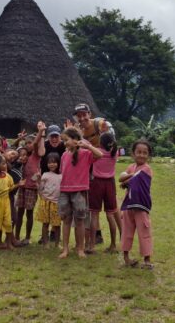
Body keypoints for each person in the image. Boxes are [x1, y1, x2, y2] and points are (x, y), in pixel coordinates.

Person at [67, 103, 113, 244]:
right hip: (87, 168)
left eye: (84, 114)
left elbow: (112, 143)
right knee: (91, 204)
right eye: (79, 116)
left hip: (102, 167)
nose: (82, 118)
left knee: (106, 207)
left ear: (89, 114)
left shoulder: (100, 124)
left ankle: (110, 238)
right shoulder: (77, 130)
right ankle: (95, 234)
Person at [58, 126, 102, 259]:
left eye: (66, 140)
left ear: (76, 139)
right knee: (66, 220)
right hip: (65, 191)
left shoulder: (85, 153)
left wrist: (87, 146)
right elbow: (62, 172)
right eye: (63, 140)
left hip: (80, 192)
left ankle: (80, 248)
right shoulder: (64, 155)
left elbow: (99, 155)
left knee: (80, 221)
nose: (65, 143)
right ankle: (65, 249)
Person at [119, 139, 154, 269]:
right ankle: (126, 257)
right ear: (133, 154)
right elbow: (123, 181)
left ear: (148, 156)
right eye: (138, 152)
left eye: (145, 153)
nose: (141, 155)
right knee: (127, 231)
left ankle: (147, 260)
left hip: (141, 206)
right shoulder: (131, 167)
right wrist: (125, 180)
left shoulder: (147, 169)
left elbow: (130, 179)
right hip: (129, 204)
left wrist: (125, 178)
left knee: (144, 232)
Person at [88, 132, 122, 253]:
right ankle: (113, 245)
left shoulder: (96, 151)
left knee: (94, 214)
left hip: (96, 183)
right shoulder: (115, 153)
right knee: (110, 214)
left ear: (100, 143)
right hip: (110, 184)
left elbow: (88, 146)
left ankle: (91, 246)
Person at [16, 122, 46, 245]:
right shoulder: (24, 156)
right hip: (22, 187)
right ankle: (16, 236)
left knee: (29, 213)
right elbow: (13, 147)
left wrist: (40, 132)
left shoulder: (35, 155)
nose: (29, 145)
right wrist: (19, 139)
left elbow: (35, 143)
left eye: (30, 143)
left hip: (32, 188)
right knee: (19, 212)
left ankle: (27, 237)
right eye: (27, 143)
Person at [35, 152, 62, 248]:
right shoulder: (45, 175)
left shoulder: (61, 176)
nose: (52, 164)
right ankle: (45, 243)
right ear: (47, 164)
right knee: (45, 223)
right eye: (50, 162)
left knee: (57, 225)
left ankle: (57, 243)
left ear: (59, 163)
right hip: (45, 202)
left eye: (54, 162)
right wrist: (38, 180)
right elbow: (40, 188)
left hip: (56, 203)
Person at [5, 148, 24, 243]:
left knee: (13, 218)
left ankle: (8, 239)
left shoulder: (14, 165)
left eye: (15, 157)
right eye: (12, 153)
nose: (13, 157)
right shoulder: (4, 166)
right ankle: (9, 239)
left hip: (11, 196)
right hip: (5, 196)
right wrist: (18, 184)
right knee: (11, 218)